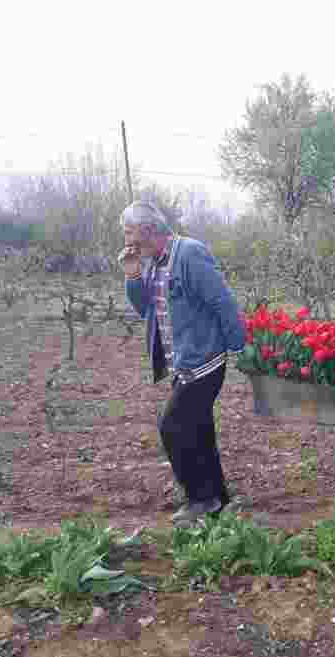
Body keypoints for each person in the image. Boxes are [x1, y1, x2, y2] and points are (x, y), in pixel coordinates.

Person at [119, 200, 246, 527]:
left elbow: (221, 299)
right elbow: (144, 308)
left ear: (148, 230)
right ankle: (219, 500)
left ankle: (200, 500)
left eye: (128, 231)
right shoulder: (150, 262)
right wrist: (133, 276)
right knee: (199, 429)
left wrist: (240, 346)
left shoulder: (188, 253)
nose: (126, 239)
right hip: (183, 363)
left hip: (204, 360)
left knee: (173, 427)